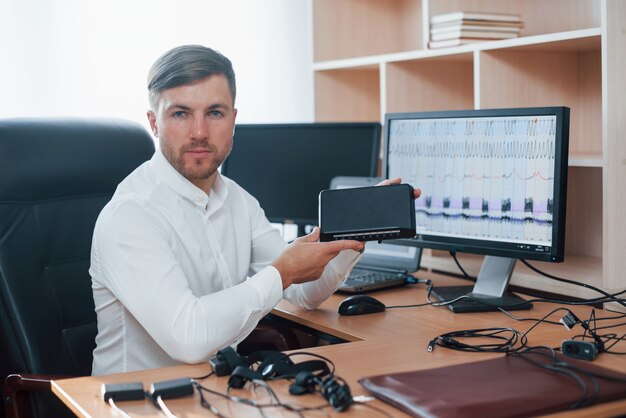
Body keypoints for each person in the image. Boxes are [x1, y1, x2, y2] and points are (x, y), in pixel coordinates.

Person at [90, 45, 419, 375]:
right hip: (134, 403)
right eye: (180, 114)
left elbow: (303, 293)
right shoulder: (130, 215)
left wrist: (356, 230)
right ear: (154, 122)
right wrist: (282, 271)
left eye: (215, 113)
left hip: (212, 393)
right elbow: (189, 338)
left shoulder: (237, 201)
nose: (200, 132)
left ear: (233, 119)